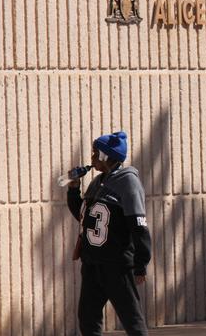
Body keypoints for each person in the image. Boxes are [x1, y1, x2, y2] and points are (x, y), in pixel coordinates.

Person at [67, 131, 151, 336]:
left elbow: (139, 227)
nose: (93, 158)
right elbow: (85, 217)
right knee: (87, 318)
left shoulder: (128, 183)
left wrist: (141, 263)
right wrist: (73, 189)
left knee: (131, 319)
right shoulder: (98, 183)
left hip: (117, 266)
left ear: (106, 156)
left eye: (96, 153)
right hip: (93, 264)